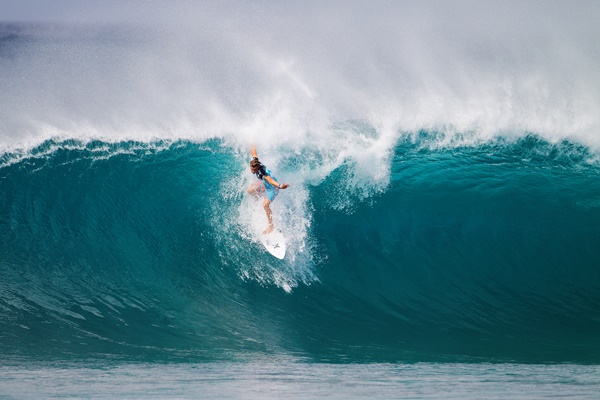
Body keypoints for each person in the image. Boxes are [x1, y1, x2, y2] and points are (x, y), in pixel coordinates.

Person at [247, 144, 289, 234]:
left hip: (272, 188)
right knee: (250, 190)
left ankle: (271, 226)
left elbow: (269, 180)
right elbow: (254, 153)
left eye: (253, 170)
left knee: (265, 205)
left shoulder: (261, 173)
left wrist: (279, 186)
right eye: (251, 169)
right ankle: (259, 196)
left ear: (257, 168)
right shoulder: (256, 162)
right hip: (265, 184)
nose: (252, 171)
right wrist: (253, 142)